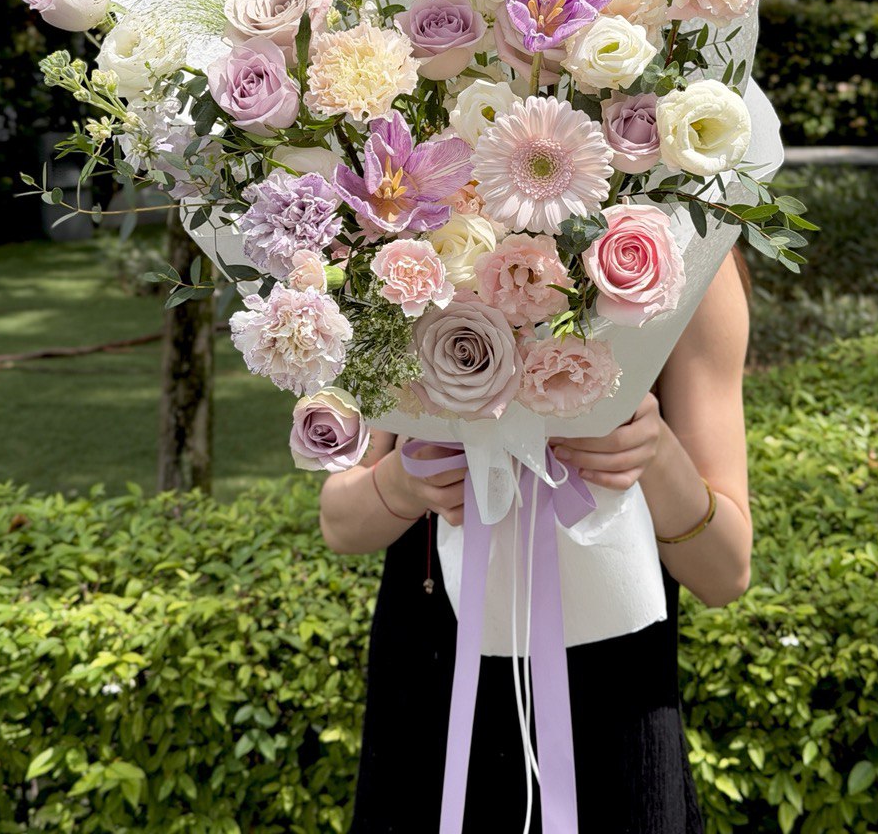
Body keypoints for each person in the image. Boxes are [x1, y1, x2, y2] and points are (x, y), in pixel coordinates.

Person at [320, 248, 752, 833]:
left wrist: (652, 452)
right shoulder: (412, 243)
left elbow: (726, 573)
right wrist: (404, 481)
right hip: (432, 681)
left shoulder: (679, 247)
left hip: (614, 691)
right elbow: (339, 522)